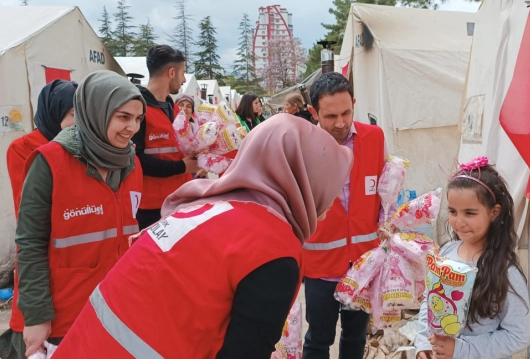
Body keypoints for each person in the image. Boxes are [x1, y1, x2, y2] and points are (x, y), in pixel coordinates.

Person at [51, 114, 354, 359]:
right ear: (305, 178)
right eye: (330, 184)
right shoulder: (272, 251)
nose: (332, 199)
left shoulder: (205, 207)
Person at [0, 71, 145, 359]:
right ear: (95, 111)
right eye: (123, 117)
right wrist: (36, 315)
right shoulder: (50, 162)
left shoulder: (131, 164)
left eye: (138, 119)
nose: (132, 127)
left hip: (111, 306)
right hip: (61, 317)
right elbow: (30, 242)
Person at [302, 72, 389, 359]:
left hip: (363, 262)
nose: (340, 123)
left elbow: (386, 190)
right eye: (330, 116)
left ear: (354, 103)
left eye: (346, 113)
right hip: (320, 265)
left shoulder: (375, 138)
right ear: (313, 112)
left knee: (355, 337)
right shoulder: (300, 147)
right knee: (319, 339)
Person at [415, 157, 530, 359]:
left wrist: (460, 349)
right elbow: (430, 302)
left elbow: (518, 336)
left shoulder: (505, 271)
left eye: (470, 213)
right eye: (452, 211)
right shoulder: (446, 253)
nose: (459, 222)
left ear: (494, 213)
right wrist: (423, 343)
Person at [134, 45, 198, 230]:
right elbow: (137, 160)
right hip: (152, 208)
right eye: (183, 73)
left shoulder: (176, 110)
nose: (184, 79)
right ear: (172, 72)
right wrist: (181, 167)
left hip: (181, 200)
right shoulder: (138, 109)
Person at [6, 80, 77, 218]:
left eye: (85, 116)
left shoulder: (84, 144)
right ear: (53, 112)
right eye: (74, 115)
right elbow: (28, 207)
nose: (80, 123)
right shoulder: (23, 148)